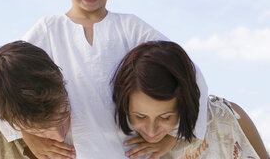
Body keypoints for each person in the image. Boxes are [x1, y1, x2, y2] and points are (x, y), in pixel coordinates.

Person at [0, 0, 208, 159]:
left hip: (129, 153)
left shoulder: (132, 29)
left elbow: (189, 74)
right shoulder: (47, 31)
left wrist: (173, 137)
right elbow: (2, 85)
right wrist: (27, 134)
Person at [112, 40, 269, 159]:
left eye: (165, 117)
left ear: (184, 103)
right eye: (140, 116)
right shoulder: (122, 144)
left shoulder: (225, 120)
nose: (151, 131)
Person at [0, 40, 75, 159]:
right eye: (42, 131)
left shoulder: (70, 81)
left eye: (62, 116)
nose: (59, 137)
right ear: (9, 121)